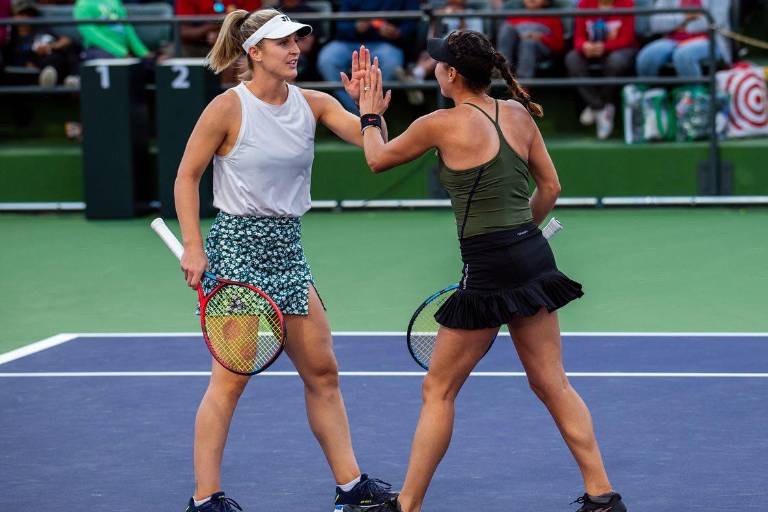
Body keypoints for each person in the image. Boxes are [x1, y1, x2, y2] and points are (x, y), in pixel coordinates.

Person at [356, 29, 627, 512]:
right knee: (552, 382)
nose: (433, 67)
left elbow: (376, 158)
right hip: (531, 254)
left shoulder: (438, 123)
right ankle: (602, 496)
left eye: (437, 63)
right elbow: (551, 186)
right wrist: (523, 235)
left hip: (488, 266)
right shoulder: (518, 114)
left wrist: (370, 114)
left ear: (451, 74)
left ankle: (407, 506)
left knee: (438, 389)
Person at [175, 9, 395, 512]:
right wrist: (193, 244)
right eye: (282, 42)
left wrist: (369, 111)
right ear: (255, 52)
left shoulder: (314, 104)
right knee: (228, 382)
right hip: (237, 250)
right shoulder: (227, 109)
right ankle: (205, 498)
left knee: (323, 373)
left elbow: (375, 150)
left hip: (288, 251)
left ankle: (351, 487)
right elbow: (187, 176)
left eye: (297, 40)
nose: (295, 48)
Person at [316, 0, 420, 112]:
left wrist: (398, 32)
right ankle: (354, 110)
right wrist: (355, 27)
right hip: (348, 42)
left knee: (391, 62)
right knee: (327, 59)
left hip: (385, 44)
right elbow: (340, 26)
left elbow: (412, 23)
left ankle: (372, 106)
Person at [564, 0, 637, 140]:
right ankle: (600, 108)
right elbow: (578, 37)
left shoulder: (627, 4)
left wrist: (604, 47)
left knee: (615, 62)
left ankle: (595, 106)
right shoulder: (584, 5)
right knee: (572, 59)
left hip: (619, 49)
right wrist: (584, 46)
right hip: (591, 50)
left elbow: (627, 39)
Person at [636, 0, 732, 78]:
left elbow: (715, 21)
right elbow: (655, 23)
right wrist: (683, 18)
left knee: (683, 55)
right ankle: (652, 95)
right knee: (647, 56)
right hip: (673, 40)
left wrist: (683, 26)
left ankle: (693, 95)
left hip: (710, 41)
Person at [5, 0, 79, 86]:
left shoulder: (41, 27)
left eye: (30, 14)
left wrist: (51, 46)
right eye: (22, 14)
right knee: (52, 60)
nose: (26, 18)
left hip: (58, 54)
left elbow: (65, 40)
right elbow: (19, 59)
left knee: (70, 48)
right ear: (14, 16)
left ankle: (73, 79)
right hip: (41, 62)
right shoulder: (13, 38)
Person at [496, 0, 563, 79]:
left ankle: (522, 84)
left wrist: (542, 38)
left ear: (546, 1)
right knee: (506, 28)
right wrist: (519, 37)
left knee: (528, 43)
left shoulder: (552, 17)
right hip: (516, 49)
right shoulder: (515, 15)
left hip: (540, 50)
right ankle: (502, 73)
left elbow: (559, 45)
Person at [74, 0, 151, 60]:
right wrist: (121, 52)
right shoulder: (83, 4)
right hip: (99, 50)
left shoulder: (114, 1)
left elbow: (127, 28)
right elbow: (91, 34)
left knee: (150, 63)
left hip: (125, 50)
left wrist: (144, 53)